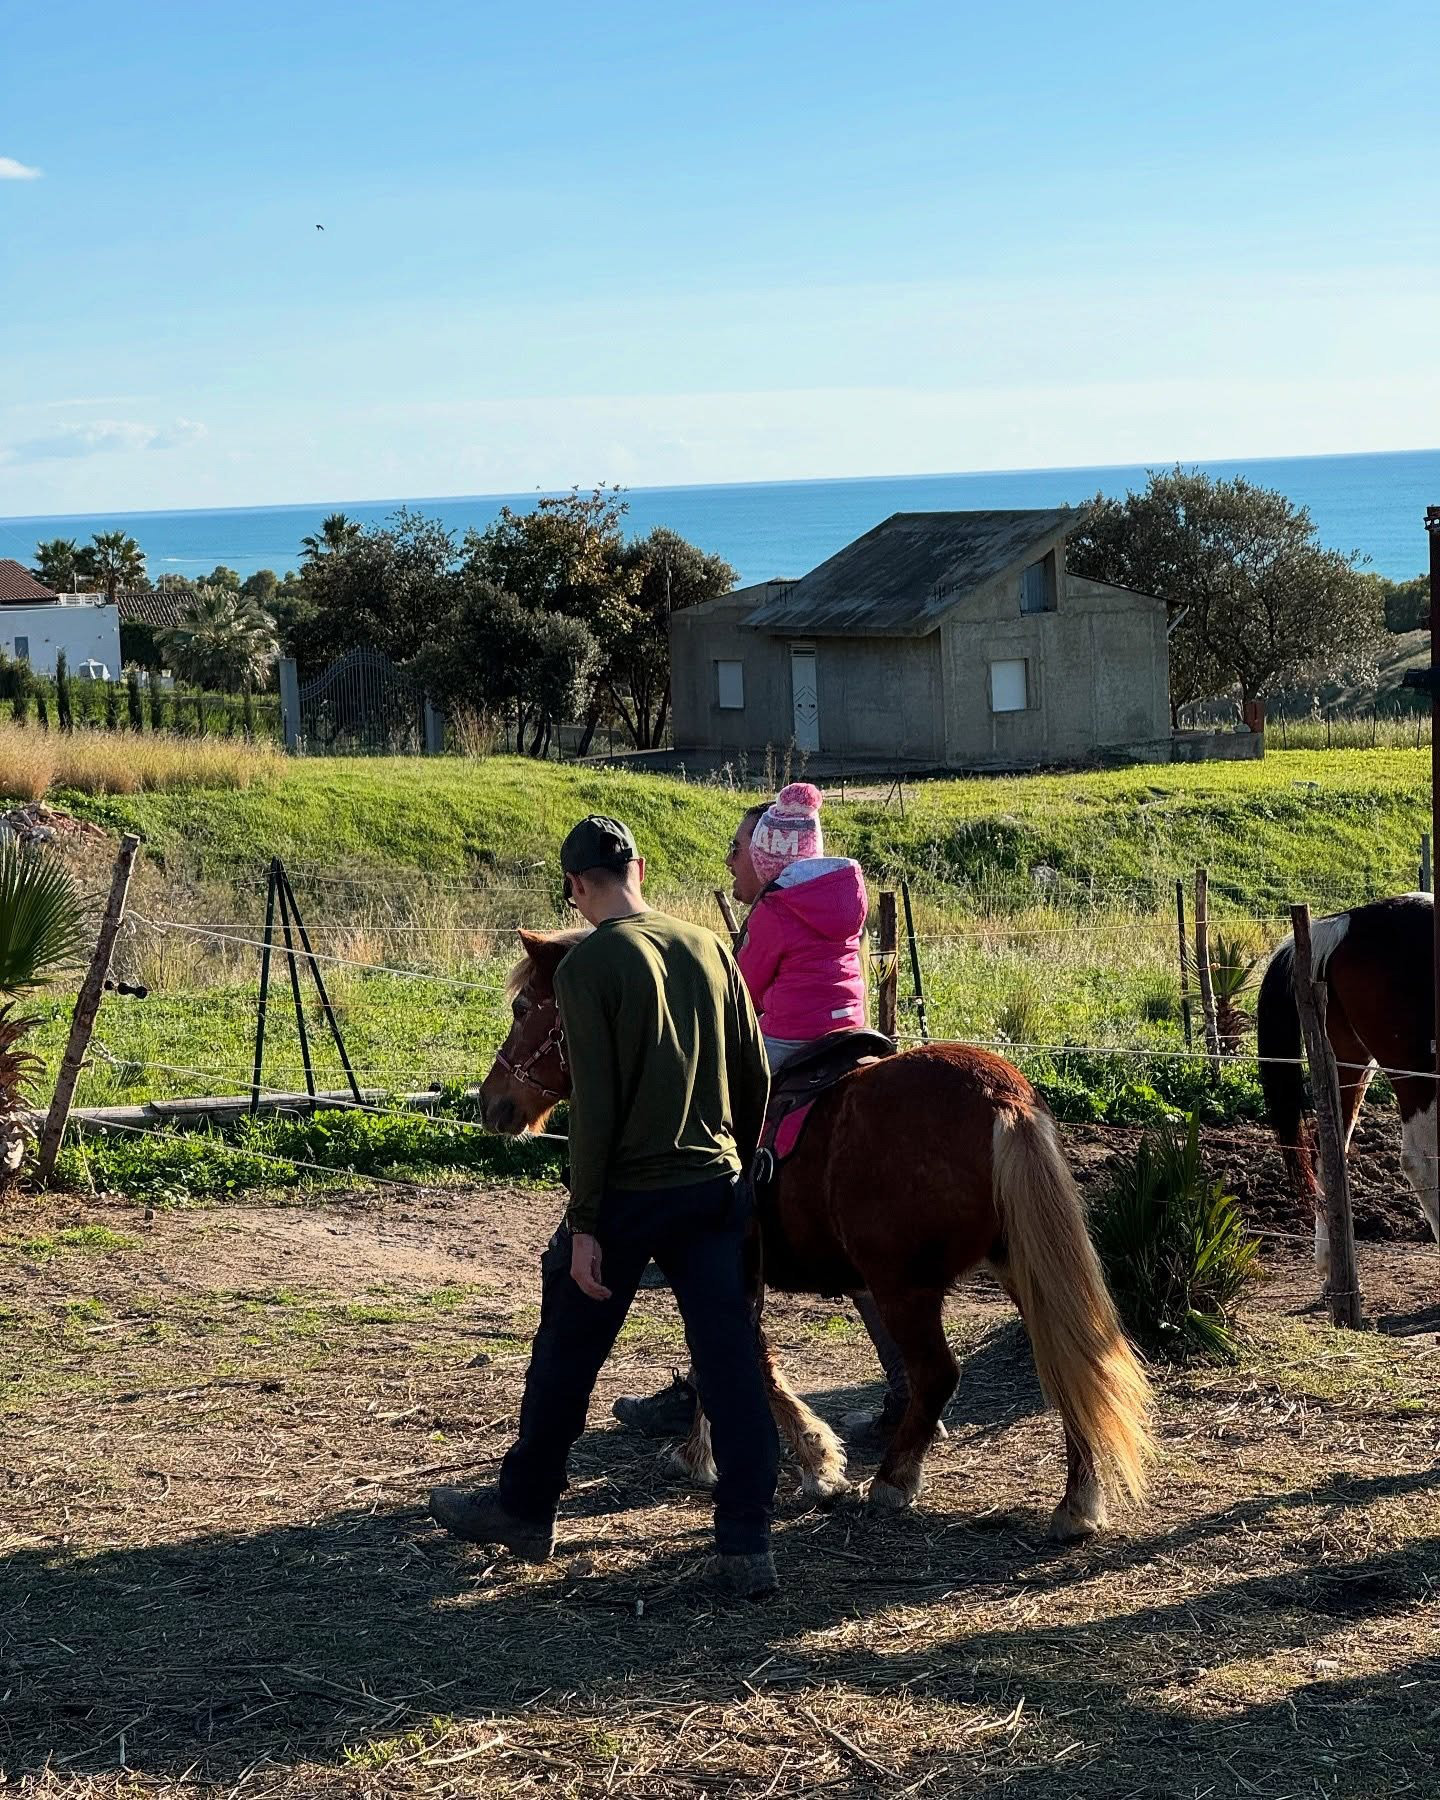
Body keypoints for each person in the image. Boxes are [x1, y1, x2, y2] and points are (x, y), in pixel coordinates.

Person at [429, 815, 781, 1598]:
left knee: (566, 1353)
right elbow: (755, 1073)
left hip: (628, 1196)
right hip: (714, 1187)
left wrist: (585, 1224)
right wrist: (740, 1170)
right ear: (640, 868)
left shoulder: (586, 968)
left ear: (576, 887)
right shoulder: (708, 947)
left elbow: (598, 1110)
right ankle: (746, 1543)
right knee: (730, 1368)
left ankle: (525, 1508)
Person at [614, 785, 933, 1450]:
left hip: (789, 1041)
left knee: (713, 1149)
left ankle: (705, 1379)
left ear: (765, 857)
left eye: (737, 849)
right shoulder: (840, 899)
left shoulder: (775, 910)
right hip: (849, 1036)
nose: (728, 861)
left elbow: (740, 993)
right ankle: (906, 1384)